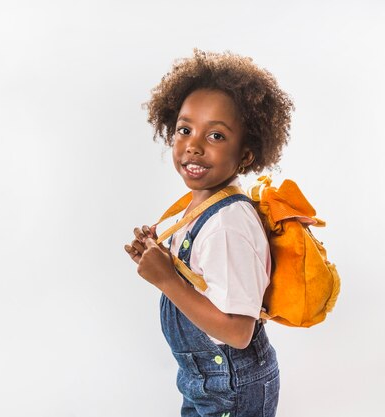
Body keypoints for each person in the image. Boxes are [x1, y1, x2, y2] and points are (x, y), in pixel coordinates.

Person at [124, 49, 293, 417]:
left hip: (232, 385)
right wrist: (163, 260)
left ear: (246, 154)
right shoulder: (202, 204)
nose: (194, 145)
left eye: (216, 135)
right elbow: (208, 283)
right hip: (206, 380)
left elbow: (237, 332)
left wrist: (167, 280)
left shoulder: (229, 223)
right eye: (185, 129)